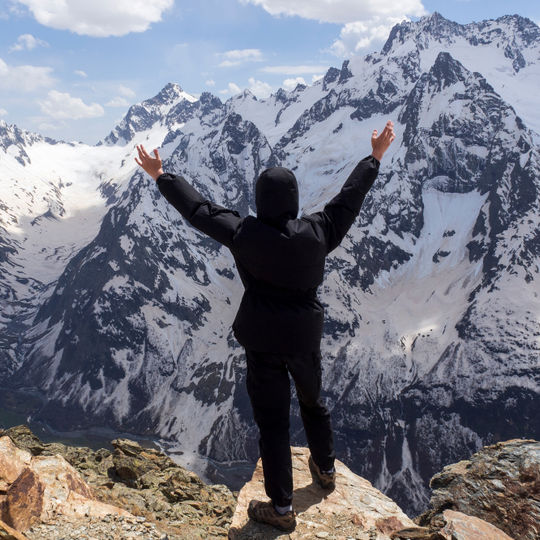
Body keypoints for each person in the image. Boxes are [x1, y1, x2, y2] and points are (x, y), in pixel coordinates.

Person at [135, 120, 395, 532]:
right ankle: (325, 470)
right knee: (313, 402)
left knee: (273, 423)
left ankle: (281, 507)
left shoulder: (244, 234)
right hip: (304, 337)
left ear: (259, 200)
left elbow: (199, 210)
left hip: (262, 342)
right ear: (293, 201)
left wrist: (162, 176)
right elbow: (349, 200)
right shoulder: (319, 231)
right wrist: (374, 157)